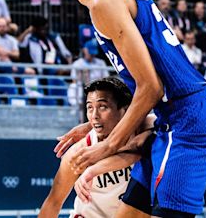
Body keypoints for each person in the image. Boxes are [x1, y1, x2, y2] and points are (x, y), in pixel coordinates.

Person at [55, 0, 206, 217]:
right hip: (170, 118)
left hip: (185, 120)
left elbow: (151, 88)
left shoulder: (103, 1)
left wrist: (108, 145)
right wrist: (92, 126)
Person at [39, 77, 153, 218]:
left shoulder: (145, 128)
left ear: (125, 110)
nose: (94, 116)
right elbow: (53, 203)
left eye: (102, 107)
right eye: (89, 108)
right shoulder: (79, 152)